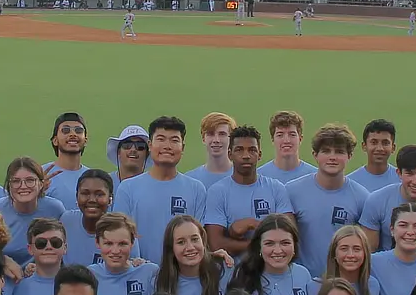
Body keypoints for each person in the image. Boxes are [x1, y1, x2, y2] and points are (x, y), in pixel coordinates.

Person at [113, 117, 205, 269]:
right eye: (161, 139)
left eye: (174, 140)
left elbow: (199, 239)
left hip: (182, 275)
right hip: (140, 274)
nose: (167, 146)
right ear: (150, 145)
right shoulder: (128, 188)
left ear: (183, 147)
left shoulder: (196, 189)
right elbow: (120, 234)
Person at [286, 123, 371, 271]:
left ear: (349, 156)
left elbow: (366, 247)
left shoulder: (362, 197)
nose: (332, 157)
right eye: (326, 151)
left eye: (339, 152)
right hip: (302, 282)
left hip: (342, 284)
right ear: (315, 155)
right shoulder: (291, 191)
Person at [203, 125, 293, 258]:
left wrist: (251, 225)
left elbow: (291, 234)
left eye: (252, 150)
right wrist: (260, 244)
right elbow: (215, 244)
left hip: (269, 271)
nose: (246, 156)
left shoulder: (276, 188)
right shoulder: (217, 192)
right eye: (239, 150)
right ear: (230, 154)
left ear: (259, 154)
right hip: (233, 274)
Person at [227, 214, 316, 295]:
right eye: (269, 244)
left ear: (294, 246)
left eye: (285, 243)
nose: (278, 250)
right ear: (259, 247)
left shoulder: (303, 274)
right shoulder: (243, 276)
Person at [362, 144, 416, 256]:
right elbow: (370, 250)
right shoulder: (376, 201)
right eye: (409, 174)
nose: (415, 181)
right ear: (399, 173)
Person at [0, 158, 64, 267]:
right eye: (16, 181)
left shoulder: (55, 209)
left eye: (30, 180)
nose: (23, 186)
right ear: (9, 186)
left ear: (41, 184)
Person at [321, 224, 380, 295]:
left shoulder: (372, 284)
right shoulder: (317, 286)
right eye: (344, 249)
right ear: (334, 253)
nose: (351, 255)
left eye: (357, 249)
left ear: (365, 254)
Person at [40, 112, 95, 211]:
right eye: (66, 130)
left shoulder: (93, 177)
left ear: (85, 140)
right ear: (55, 140)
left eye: (78, 131)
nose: (73, 134)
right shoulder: (42, 174)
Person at [348, 119, 401, 196]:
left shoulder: (402, 180)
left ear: (393, 147)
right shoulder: (350, 182)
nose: (379, 148)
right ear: (364, 146)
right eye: (374, 142)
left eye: (385, 143)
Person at [186, 111, 236, 189]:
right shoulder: (189, 180)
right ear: (203, 138)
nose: (216, 140)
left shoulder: (243, 178)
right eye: (210, 134)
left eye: (222, 134)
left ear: (232, 138)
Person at [258, 110, 311, 184]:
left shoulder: (315, 176)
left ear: (300, 139)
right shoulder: (259, 178)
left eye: (292, 135)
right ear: (273, 139)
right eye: (280, 135)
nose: (286, 141)